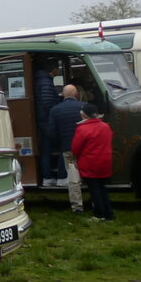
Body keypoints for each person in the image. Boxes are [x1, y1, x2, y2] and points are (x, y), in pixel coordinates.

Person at [72, 102, 114, 222]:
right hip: (105, 162)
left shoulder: (82, 129)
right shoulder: (105, 126)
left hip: (90, 162)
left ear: (84, 115)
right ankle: (108, 213)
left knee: (94, 189)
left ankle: (99, 214)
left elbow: (75, 148)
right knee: (102, 188)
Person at [47, 84, 85, 213]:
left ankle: (77, 207)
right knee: (89, 175)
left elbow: (52, 132)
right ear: (76, 94)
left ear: (62, 95)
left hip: (67, 148)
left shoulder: (55, 110)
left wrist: (59, 145)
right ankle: (96, 202)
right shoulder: (83, 107)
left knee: (73, 178)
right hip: (85, 149)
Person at [33, 58, 61, 186]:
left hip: (43, 120)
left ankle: (47, 176)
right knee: (54, 148)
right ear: (53, 69)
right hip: (47, 121)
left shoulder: (42, 80)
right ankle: (51, 176)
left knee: (46, 149)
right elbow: (47, 102)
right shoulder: (46, 82)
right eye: (58, 67)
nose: (59, 70)